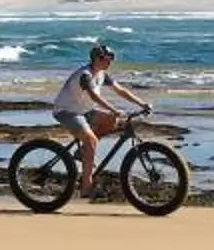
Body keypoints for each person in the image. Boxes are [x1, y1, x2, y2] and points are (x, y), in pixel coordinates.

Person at [52, 44, 150, 194]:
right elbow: (94, 97)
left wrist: (142, 103)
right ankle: (86, 187)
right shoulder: (85, 75)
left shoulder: (102, 74)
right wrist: (114, 109)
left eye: (111, 59)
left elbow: (121, 90)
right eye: (107, 59)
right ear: (97, 59)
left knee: (112, 120)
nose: (110, 62)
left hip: (85, 110)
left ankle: (83, 151)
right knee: (91, 140)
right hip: (67, 112)